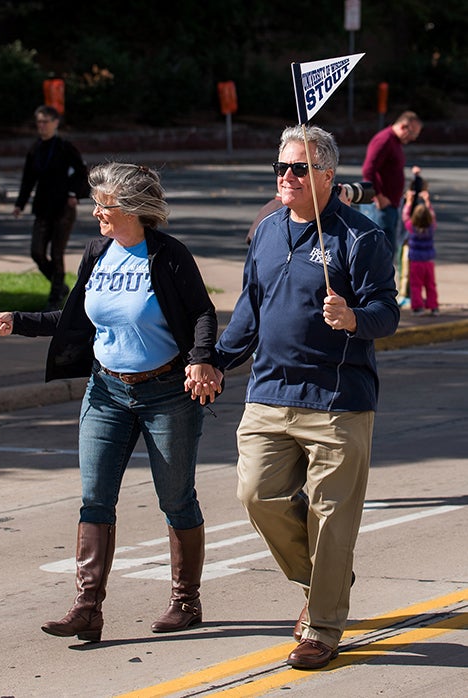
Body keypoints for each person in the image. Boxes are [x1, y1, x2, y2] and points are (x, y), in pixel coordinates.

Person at [0, 162, 223, 642]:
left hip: (166, 393)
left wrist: (200, 359)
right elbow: (74, 319)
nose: (96, 214)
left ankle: (185, 601)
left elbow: (202, 313)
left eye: (104, 205)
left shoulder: (168, 256)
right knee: (95, 498)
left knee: (175, 498)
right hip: (106, 391)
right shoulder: (97, 253)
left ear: (132, 209)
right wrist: (18, 320)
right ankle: (87, 609)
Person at [204, 126, 400, 669]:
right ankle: (324, 580)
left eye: (298, 169)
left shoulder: (361, 239)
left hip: (338, 400)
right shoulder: (266, 231)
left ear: (328, 177)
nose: (285, 177)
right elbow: (250, 311)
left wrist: (354, 318)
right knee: (256, 495)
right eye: (281, 168)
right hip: (268, 394)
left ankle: (322, 626)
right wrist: (217, 361)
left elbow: (388, 312)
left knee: (331, 518)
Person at [13, 105, 90, 311]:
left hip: (63, 207)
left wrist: (74, 194)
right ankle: (60, 285)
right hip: (42, 207)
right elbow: (28, 179)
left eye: (46, 121)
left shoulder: (65, 147)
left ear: (56, 123)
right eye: (39, 122)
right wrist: (20, 203)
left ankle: (55, 297)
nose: (42, 126)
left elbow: (82, 172)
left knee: (57, 253)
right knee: (37, 251)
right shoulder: (35, 149)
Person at [360, 110, 422, 271]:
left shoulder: (394, 142)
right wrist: (379, 197)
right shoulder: (384, 140)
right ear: (403, 126)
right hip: (379, 206)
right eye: (413, 133)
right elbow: (368, 170)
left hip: (390, 205)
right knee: (378, 253)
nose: (413, 138)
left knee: (387, 253)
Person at [402, 177, 438, 315]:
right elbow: (433, 215)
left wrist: (409, 202)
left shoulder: (412, 228)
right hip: (428, 261)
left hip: (416, 261)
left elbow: (405, 216)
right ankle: (433, 306)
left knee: (416, 285)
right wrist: (427, 201)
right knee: (430, 285)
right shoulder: (431, 228)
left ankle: (418, 307)